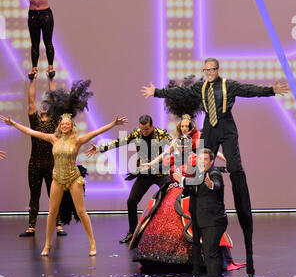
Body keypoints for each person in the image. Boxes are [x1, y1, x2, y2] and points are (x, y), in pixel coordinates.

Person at [141, 57, 289, 277]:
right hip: (210, 128)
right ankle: (201, 196)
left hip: (226, 127)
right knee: (201, 165)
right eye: (206, 70)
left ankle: (238, 192)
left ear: (217, 70)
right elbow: (179, 93)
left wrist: (271, 90)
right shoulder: (200, 88)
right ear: (204, 71)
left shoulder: (228, 85)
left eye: (212, 70)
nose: (209, 73)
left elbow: (250, 90)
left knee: (236, 169)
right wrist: (157, 92)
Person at [0, 81, 127, 256]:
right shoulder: (53, 138)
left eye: (68, 124)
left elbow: (97, 132)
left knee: (81, 211)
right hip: (57, 178)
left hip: (73, 178)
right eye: (62, 124)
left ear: (72, 126)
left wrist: (113, 124)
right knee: (52, 212)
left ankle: (92, 243)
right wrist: (14, 124)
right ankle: (47, 245)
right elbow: (32, 132)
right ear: (59, 126)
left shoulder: (77, 140)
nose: (65, 126)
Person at [129, 115, 240, 274]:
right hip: (174, 188)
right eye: (182, 127)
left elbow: (212, 152)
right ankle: (160, 258)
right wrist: (151, 164)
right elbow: (164, 155)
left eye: (187, 126)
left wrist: (228, 160)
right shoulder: (176, 144)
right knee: (163, 215)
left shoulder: (197, 143)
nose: (184, 129)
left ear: (191, 127)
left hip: (189, 187)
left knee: (194, 218)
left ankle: (197, 258)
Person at [85, 114, 172, 244]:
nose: (144, 132)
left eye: (147, 129)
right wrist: (100, 148)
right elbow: (120, 142)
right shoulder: (137, 134)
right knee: (131, 201)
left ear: (152, 126)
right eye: (142, 129)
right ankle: (132, 233)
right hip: (144, 173)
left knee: (171, 200)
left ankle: (174, 233)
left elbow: (174, 146)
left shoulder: (161, 133)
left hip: (160, 172)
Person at [174, 148, 228, 277]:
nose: (201, 162)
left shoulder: (214, 174)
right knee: (213, 255)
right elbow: (194, 188)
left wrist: (210, 184)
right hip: (205, 221)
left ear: (211, 161)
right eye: (200, 159)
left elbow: (215, 185)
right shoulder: (199, 174)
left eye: (205, 160)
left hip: (213, 222)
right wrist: (184, 186)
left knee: (211, 255)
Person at [19, 71, 66, 238]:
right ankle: (31, 227)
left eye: (47, 104)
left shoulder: (55, 121)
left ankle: (59, 226)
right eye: (42, 104)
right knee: (34, 196)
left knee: (54, 195)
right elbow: (31, 100)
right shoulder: (35, 121)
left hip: (51, 164)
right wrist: (32, 80)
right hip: (35, 164)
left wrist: (50, 79)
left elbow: (55, 99)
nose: (44, 105)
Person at [25, 0, 87, 80]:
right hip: (33, 15)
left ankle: (50, 67)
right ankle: (34, 68)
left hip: (46, 13)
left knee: (48, 41)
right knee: (35, 43)